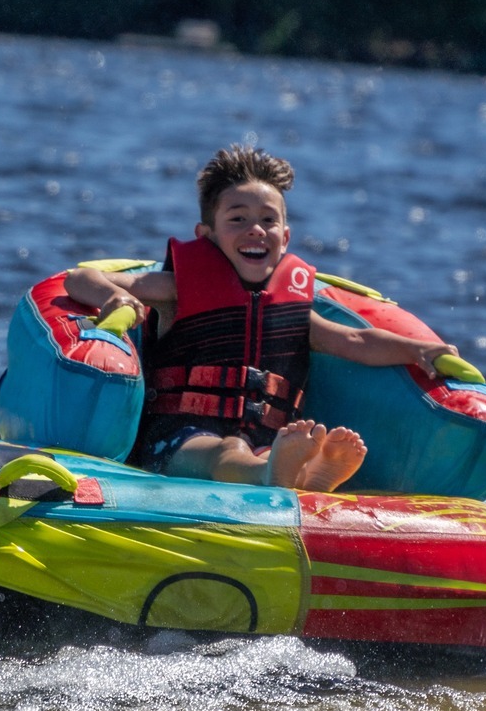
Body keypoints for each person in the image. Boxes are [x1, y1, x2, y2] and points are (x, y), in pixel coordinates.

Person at [64, 145, 456, 492]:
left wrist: (418, 350)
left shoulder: (293, 309)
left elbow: (355, 341)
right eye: (237, 219)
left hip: (269, 442)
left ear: (285, 238)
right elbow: (80, 279)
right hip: (177, 443)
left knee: (267, 451)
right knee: (226, 451)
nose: (256, 229)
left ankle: (308, 474)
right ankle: (280, 474)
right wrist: (115, 297)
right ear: (208, 235)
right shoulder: (176, 288)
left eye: (268, 220)